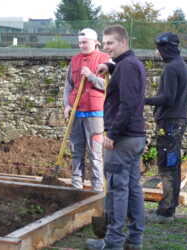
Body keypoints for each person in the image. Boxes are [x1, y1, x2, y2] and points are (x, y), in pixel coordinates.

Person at [85, 25, 147, 250]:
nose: (106, 47)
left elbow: (128, 103)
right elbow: (121, 73)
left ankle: (113, 242)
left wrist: (113, 133)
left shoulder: (127, 66)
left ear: (123, 42)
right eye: (105, 43)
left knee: (116, 190)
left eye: (110, 43)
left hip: (123, 138)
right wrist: (109, 65)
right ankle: (135, 239)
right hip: (134, 138)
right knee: (132, 188)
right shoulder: (129, 64)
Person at [145, 32, 187, 223]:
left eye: (159, 49)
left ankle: (165, 213)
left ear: (166, 49)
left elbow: (168, 98)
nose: (157, 54)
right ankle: (168, 208)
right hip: (175, 123)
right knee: (172, 165)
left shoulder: (172, 68)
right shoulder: (181, 65)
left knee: (168, 166)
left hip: (170, 124)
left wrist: (144, 100)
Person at [63, 28, 110, 191]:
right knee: (76, 150)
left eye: (85, 42)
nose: (82, 46)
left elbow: (110, 87)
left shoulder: (105, 60)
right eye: (80, 43)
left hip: (95, 113)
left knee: (95, 153)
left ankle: (97, 188)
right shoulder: (75, 60)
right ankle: (77, 185)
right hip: (76, 111)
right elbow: (68, 86)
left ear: (95, 42)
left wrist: (91, 76)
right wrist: (67, 105)